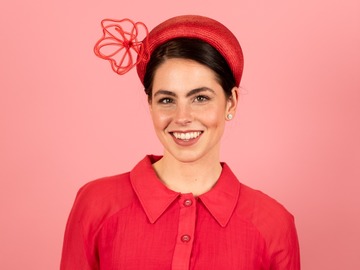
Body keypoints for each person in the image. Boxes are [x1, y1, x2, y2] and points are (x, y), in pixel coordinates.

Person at [60, 15, 300, 270]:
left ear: (231, 102)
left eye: (200, 98)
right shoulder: (97, 204)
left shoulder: (273, 223)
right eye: (166, 100)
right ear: (150, 104)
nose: (182, 117)